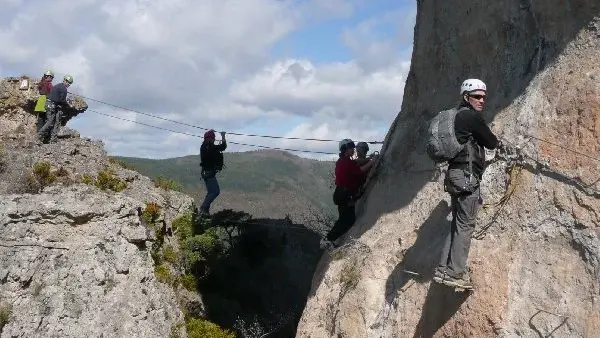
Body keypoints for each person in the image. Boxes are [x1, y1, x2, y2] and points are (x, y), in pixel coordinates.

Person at [432, 79, 501, 289]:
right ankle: (455, 273)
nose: (482, 100)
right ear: (466, 97)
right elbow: (491, 141)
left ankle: (444, 269)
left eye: (483, 97)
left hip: (454, 175)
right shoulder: (469, 116)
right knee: (465, 225)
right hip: (467, 177)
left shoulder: (454, 116)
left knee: (457, 223)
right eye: (477, 96)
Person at [322, 139, 377, 249]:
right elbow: (360, 170)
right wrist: (372, 162)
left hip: (342, 193)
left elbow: (357, 163)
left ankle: (328, 239)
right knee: (347, 220)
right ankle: (328, 239)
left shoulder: (343, 160)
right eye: (351, 148)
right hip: (345, 194)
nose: (353, 149)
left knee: (344, 218)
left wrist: (368, 158)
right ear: (345, 150)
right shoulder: (346, 162)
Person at [199, 129, 227, 216]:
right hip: (209, 172)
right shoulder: (209, 147)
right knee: (215, 191)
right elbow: (223, 147)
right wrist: (223, 136)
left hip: (206, 173)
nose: (214, 140)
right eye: (213, 138)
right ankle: (204, 208)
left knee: (211, 191)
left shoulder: (204, 146)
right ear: (209, 138)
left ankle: (205, 211)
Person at [38, 75, 73, 144]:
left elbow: (57, 98)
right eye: (68, 82)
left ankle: (47, 137)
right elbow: (62, 100)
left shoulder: (58, 85)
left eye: (70, 83)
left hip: (48, 103)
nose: (68, 84)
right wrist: (68, 105)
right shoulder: (64, 89)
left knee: (49, 120)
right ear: (64, 80)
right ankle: (40, 135)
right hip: (51, 105)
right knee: (50, 121)